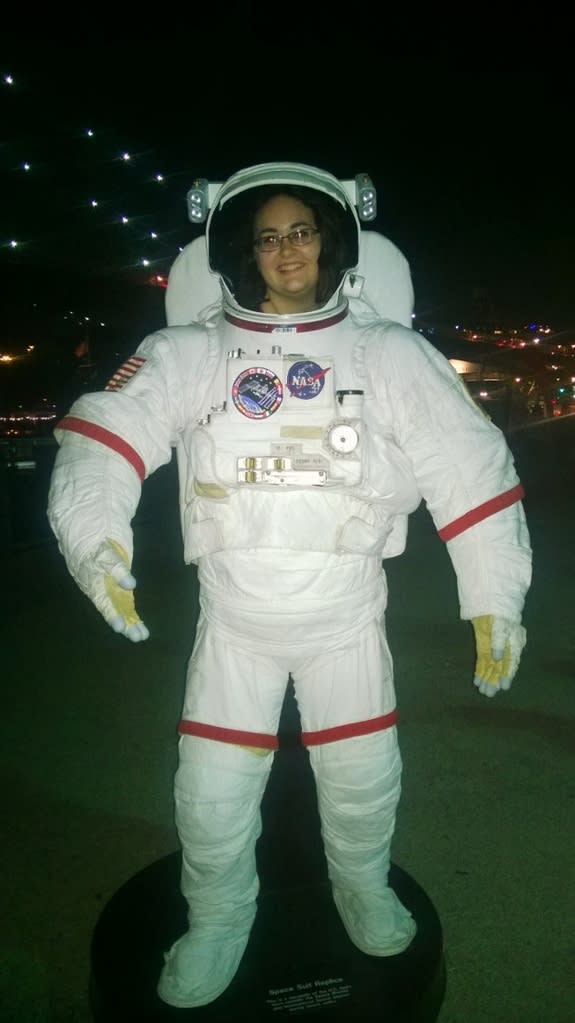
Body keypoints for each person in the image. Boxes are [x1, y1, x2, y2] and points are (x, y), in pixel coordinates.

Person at [47, 162, 532, 1010]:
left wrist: (495, 597)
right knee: (209, 794)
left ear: (334, 240)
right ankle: (219, 919)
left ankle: (362, 887)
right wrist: (96, 545)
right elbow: (105, 431)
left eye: (301, 231)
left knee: (362, 775)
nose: (286, 251)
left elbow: (470, 465)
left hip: (347, 615)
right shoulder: (192, 352)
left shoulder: (387, 352)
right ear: (241, 250)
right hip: (237, 620)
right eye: (267, 236)